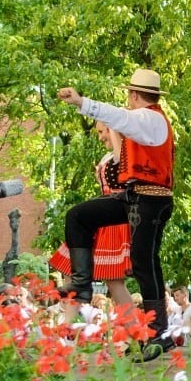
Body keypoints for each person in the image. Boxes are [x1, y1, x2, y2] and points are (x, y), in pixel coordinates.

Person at [57, 69, 176, 362]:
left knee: (143, 263)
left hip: (153, 200)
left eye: (129, 96)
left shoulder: (149, 118)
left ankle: (158, 331)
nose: (127, 101)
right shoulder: (142, 120)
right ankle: (82, 287)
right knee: (78, 217)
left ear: (135, 95)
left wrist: (81, 101)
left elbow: (119, 118)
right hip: (134, 197)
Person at [49, 122, 133, 310]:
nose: (100, 137)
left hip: (113, 220)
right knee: (72, 267)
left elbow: (123, 165)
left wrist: (113, 124)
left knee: (113, 281)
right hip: (97, 219)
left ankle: (138, 332)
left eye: (103, 131)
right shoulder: (108, 155)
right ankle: (69, 327)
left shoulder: (126, 151)